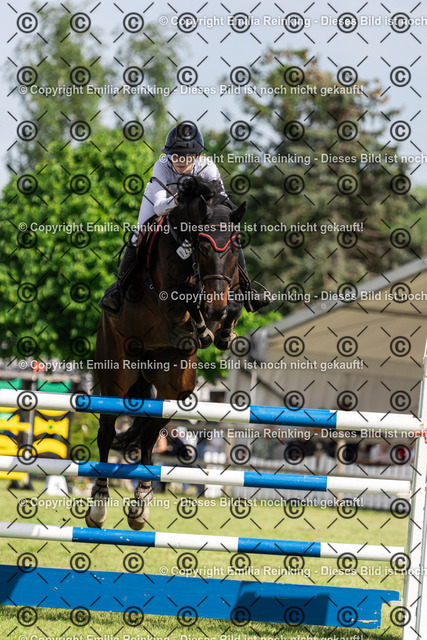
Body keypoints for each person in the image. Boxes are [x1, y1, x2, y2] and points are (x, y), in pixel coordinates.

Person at [99, 122, 271, 317]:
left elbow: (223, 203)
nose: (179, 160)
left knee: (229, 235)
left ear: (196, 155)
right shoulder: (162, 166)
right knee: (137, 235)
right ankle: (118, 291)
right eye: (175, 155)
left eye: (185, 156)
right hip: (162, 200)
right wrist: (179, 197)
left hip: (196, 210)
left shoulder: (208, 167)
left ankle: (247, 290)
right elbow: (159, 207)